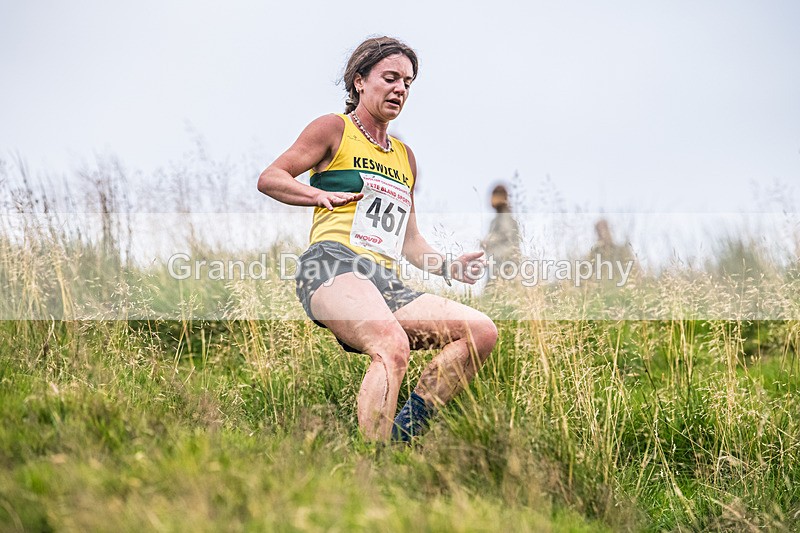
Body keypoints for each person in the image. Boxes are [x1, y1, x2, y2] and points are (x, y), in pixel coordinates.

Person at [257, 36, 498, 443]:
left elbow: (410, 241)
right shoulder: (334, 128)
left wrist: (449, 266)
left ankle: (402, 437)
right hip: (331, 264)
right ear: (359, 83)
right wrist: (318, 195)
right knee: (392, 343)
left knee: (480, 331)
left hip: (383, 280)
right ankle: (373, 458)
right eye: (390, 78)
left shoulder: (405, 157)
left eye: (408, 81)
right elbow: (271, 178)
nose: (400, 88)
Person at [481, 184, 522, 268]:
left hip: (504, 265)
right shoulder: (498, 219)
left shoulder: (504, 218)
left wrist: (488, 242)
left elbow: (508, 238)